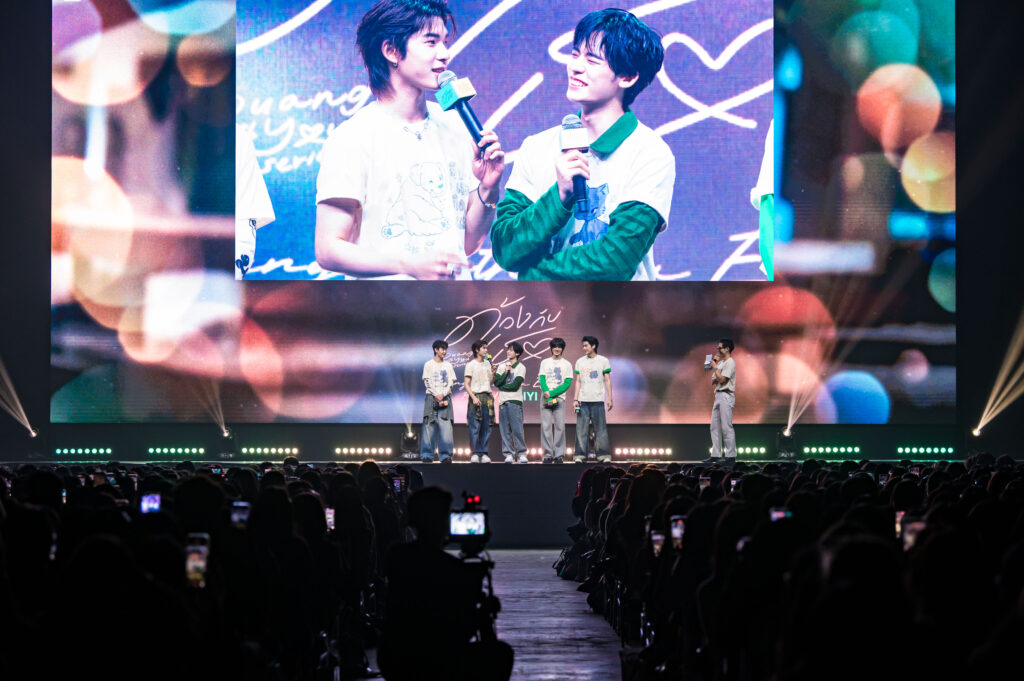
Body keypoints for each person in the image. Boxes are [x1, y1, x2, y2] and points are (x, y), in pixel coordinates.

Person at [314, 0, 505, 280]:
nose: (445, 54)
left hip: (452, 302)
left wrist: (488, 187)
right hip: (384, 305)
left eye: (445, 42)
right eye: (431, 42)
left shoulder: (456, 125)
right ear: (391, 50)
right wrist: (408, 265)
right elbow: (328, 249)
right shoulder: (352, 138)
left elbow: (466, 245)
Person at [489, 8, 673, 280]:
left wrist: (533, 276)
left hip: (619, 308)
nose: (575, 66)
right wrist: (559, 196)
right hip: (540, 308)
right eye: (575, 54)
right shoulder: (536, 147)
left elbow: (615, 261)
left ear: (627, 77)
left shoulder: (651, 154)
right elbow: (505, 248)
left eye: (592, 59)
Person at [378, 486, 513, 681]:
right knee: (500, 654)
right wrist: (483, 614)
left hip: (394, 658)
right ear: (441, 521)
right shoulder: (452, 569)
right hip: (435, 661)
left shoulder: (397, 556)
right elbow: (462, 633)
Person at [572, 336, 612, 463]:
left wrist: (610, 398)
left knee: (600, 429)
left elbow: (607, 380)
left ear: (593, 346)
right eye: (583, 346)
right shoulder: (580, 361)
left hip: (598, 400)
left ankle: (603, 455)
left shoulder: (603, 361)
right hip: (583, 400)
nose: (584, 348)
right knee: (581, 429)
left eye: (586, 345)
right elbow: (578, 381)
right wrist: (575, 399)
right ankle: (580, 455)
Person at [539, 337, 573, 463]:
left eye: (559, 347)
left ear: (562, 349)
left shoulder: (567, 364)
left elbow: (567, 383)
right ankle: (547, 455)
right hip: (545, 398)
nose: (557, 349)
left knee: (559, 427)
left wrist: (552, 394)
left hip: (559, 398)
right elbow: (542, 380)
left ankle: (559, 455)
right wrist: (547, 394)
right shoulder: (545, 362)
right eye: (554, 346)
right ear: (551, 348)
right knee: (546, 427)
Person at [493, 341, 527, 463]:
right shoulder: (502, 366)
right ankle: (508, 454)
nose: (508, 351)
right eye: (508, 349)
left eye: (511, 350)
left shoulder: (521, 367)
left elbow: (515, 385)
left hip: (515, 402)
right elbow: (497, 382)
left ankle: (521, 453)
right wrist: (506, 372)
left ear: (517, 353)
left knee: (517, 430)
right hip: (503, 402)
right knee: (505, 430)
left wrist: (501, 387)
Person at [421, 340, 455, 463]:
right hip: (431, 397)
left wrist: (443, 394)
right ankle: (427, 454)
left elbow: (451, 382)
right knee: (428, 425)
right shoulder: (428, 364)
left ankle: (446, 455)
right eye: (442, 349)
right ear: (436, 350)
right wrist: (436, 394)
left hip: (445, 397)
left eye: (446, 349)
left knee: (446, 426)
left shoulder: (448, 365)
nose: (444, 352)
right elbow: (427, 381)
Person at [464, 339, 494, 463]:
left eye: (486, 348)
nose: (486, 350)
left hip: (487, 397)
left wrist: (493, 374)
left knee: (486, 427)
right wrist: (473, 397)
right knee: (474, 427)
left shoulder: (487, 363)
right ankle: (475, 453)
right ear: (477, 350)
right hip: (475, 396)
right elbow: (466, 384)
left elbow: (490, 383)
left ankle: (484, 453)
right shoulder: (470, 365)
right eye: (484, 348)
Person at [708, 338, 737, 462]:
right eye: (718, 348)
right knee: (714, 426)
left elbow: (722, 380)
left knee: (726, 426)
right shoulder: (720, 363)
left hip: (726, 395)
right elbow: (713, 381)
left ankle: (730, 456)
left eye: (720, 348)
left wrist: (715, 368)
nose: (718, 350)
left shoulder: (730, 362)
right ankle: (716, 454)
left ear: (727, 349)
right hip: (718, 395)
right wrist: (717, 370)